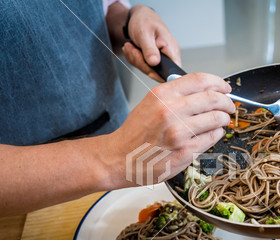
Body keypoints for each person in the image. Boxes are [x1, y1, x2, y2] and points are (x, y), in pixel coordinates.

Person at [0, 1, 235, 216]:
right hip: (22, 205)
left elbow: (89, 12)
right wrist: (113, 156)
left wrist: (127, 19)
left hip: (120, 137)